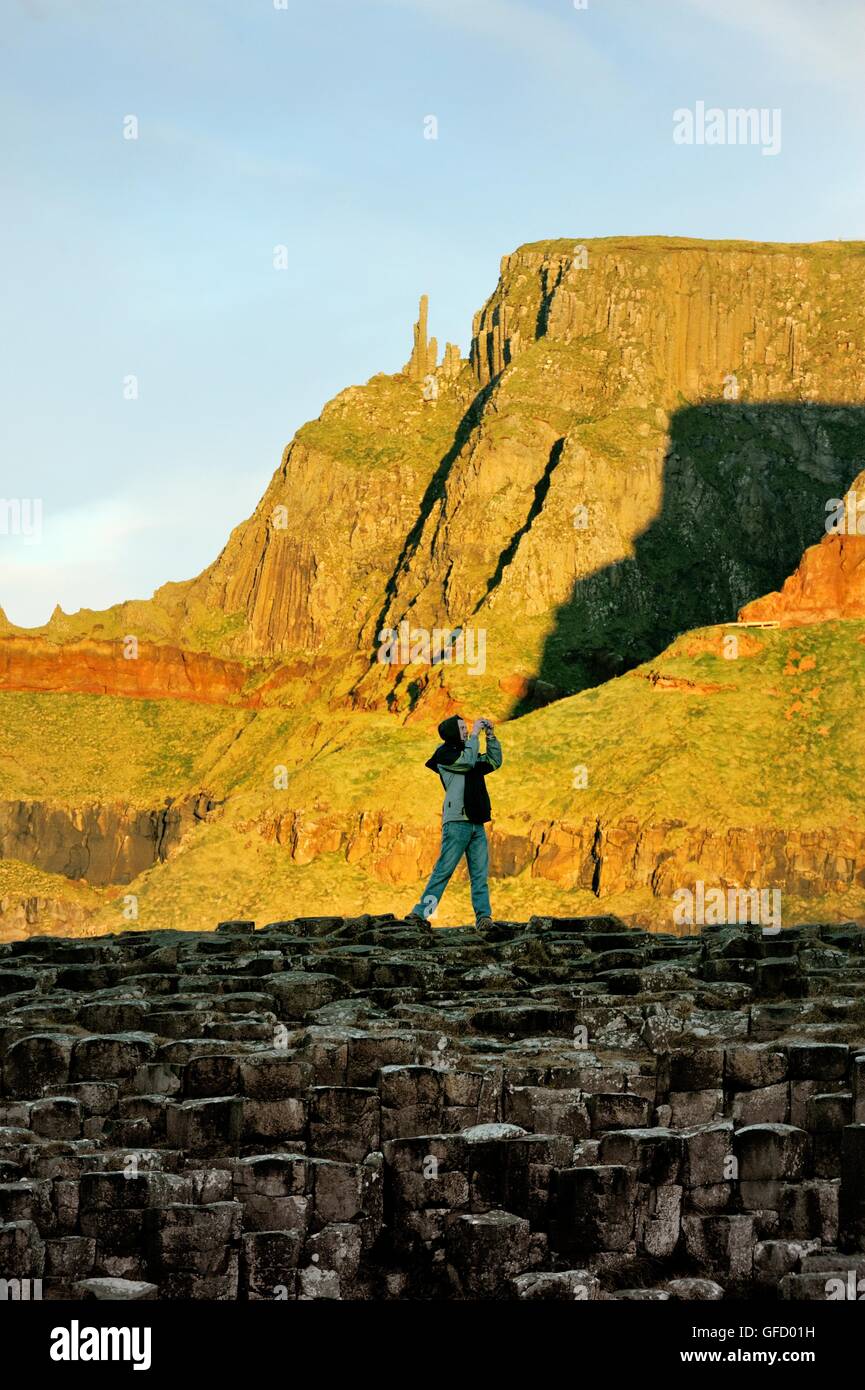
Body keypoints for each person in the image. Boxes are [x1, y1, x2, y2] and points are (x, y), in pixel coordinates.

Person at [407, 714, 502, 930]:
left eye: (467, 728)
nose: (467, 731)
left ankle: (484, 918)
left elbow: (494, 761)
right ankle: (420, 914)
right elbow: (468, 762)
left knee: (479, 874)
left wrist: (491, 736)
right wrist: (476, 734)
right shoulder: (446, 755)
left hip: (476, 821)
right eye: (462, 728)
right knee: (444, 870)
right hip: (457, 821)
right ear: (452, 732)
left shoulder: (469, 751)